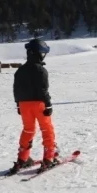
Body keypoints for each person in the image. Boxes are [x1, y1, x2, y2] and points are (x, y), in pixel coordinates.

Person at [9, 38, 57, 175]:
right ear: (39, 53)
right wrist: (47, 105)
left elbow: (16, 89)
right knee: (47, 129)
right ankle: (49, 158)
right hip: (39, 103)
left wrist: (18, 104)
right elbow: (43, 90)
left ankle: (23, 158)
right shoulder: (41, 70)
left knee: (28, 130)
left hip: (24, 104)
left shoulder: (20, 71)